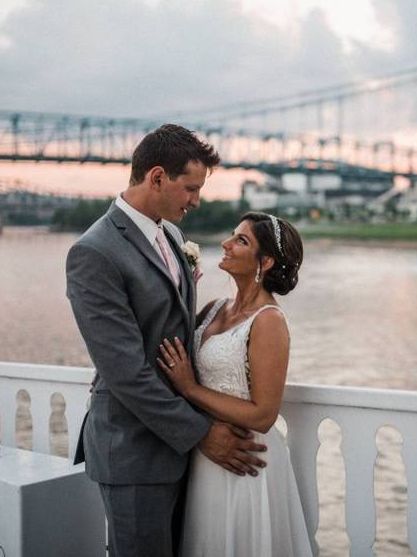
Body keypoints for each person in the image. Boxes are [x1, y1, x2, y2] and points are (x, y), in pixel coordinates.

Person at [66, 125, 267, 557]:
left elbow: (170, 326)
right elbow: (126, 372)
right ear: (157, 177)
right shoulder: (94, 252)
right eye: (190, 188)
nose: (196, 200)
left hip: (179, 450)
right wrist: (201, 434)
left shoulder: (172, 236)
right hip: (133, 451)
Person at [158, 212, 313, 556]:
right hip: (206, 454)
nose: (226, 244)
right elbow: (169, 343)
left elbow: (263, 415)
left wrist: (190, 389)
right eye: (231, 235)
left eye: (241, 241)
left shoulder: (268, 322)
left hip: (246, 461)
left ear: (266, 261)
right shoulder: (214, 309)